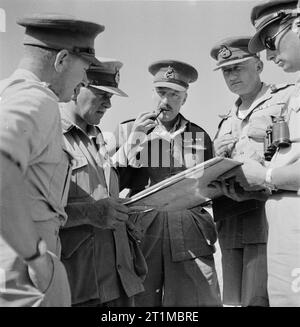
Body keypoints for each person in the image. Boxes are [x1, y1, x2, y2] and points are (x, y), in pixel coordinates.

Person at [0, 13, 104, 307]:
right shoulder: (38, 99)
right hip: (22, 273)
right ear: (60, 60)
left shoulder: (7, 92)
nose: (84, 80)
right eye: (84, 68)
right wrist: (36, 258)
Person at [110, 60, 222, 307]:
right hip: (142, 231)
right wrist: (134, 140)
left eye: (174, 94)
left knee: (196, 301)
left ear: (185, 98)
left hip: (190, 231)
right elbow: (112, 181)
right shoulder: (128, 129)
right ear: (152, 93)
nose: (166, 100)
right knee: (139, 301)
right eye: (161, 92)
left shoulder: (199, 134)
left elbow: (210, 186)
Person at [222, 0, 300, 306]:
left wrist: (264, 176)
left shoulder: (285, 97)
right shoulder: (294, 97)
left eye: (271, 41)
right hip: (264, 228)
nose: (269, 54)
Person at [59, 58, 147, 307]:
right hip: (79, 286)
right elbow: (29, 213)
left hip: (118, 283)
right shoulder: (50, 136)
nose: (108, 104)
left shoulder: (98, 138)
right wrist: (90, 212)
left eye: (111, 97)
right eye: (101, 94)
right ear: (76, 88)